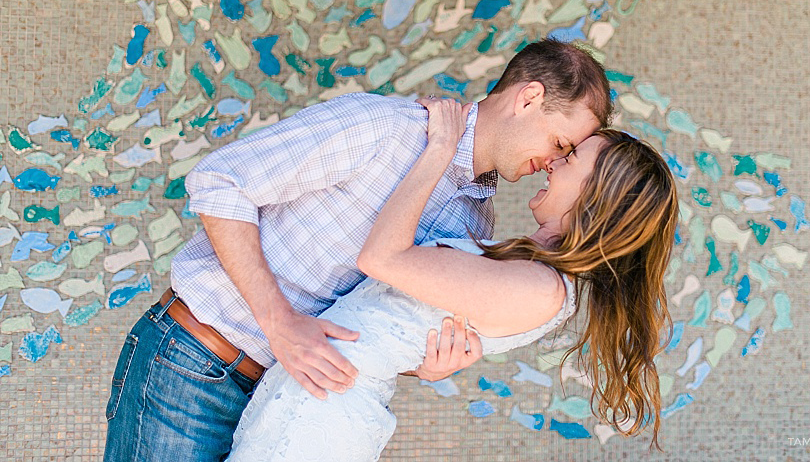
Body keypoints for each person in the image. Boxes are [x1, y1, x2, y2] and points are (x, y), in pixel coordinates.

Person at [103, 39, 613, 462]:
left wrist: (426, 364)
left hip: (285, 396)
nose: (555, 162)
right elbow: (220, 183)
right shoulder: (386, 129)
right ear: (527, 98)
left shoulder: (475, 219)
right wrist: (279, 322)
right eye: (561, 143)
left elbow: (372, 316)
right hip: (195, 366)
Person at [226, 97, 678, 461]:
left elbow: (381, 258)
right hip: (317, 391)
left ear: (595, 197)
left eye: (571, 157)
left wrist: (440, 149)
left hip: (325, 411)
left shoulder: (542, 288)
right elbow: (396, 320)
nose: (553, 164)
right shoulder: (529, 270)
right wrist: (423, 361)